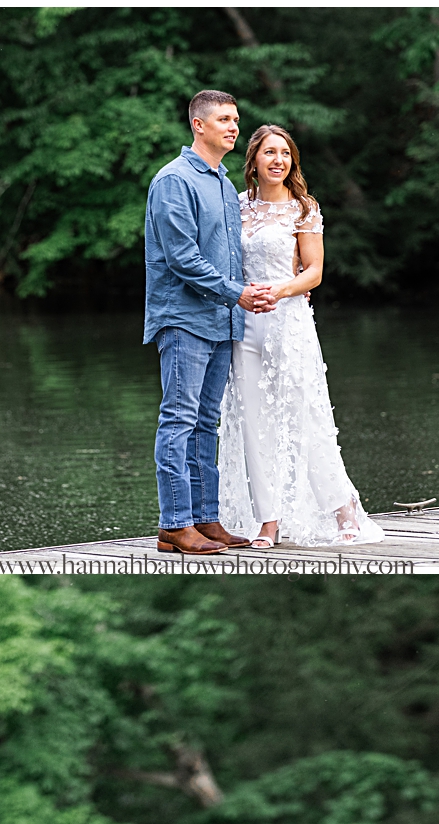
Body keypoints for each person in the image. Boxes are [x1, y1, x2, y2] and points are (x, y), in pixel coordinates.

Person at [218, 126, 384, 548]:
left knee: (303, 414)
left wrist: (280, 289)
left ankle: (342, 507)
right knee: (252, 421)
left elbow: (314, 271)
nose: (278, 160)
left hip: (288, 322)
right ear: (253, 159)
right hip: (243, 324)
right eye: (269, 152)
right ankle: (268, 521)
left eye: (286, 154)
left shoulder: (303, 208)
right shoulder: (235, 207)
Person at [143, 92, 275, 557]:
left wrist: (247, 295)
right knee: (178, 420)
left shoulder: (220, 181)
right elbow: (182, 258)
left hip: (223, 320)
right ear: (198, 125)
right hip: (183, 319)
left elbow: (229, 252)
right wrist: (235, 292)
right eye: (223, 119)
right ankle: (173, 525)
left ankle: (204, 519)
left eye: (236, 119)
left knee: (206, 423)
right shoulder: (173, 181)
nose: (234, 127)